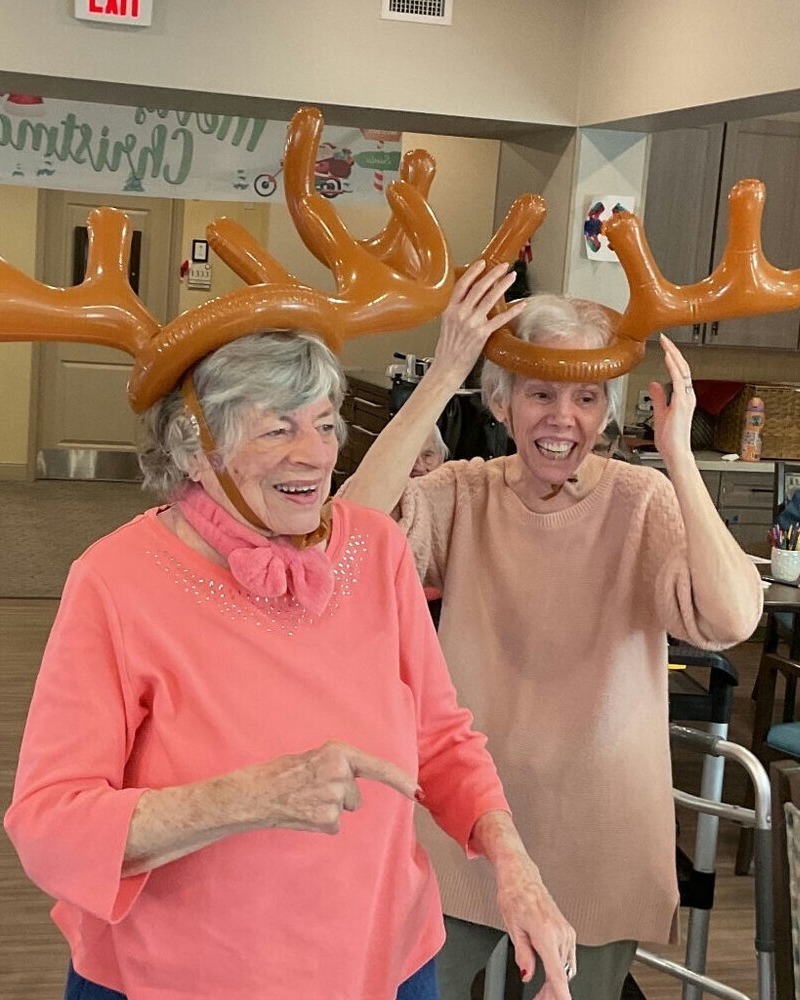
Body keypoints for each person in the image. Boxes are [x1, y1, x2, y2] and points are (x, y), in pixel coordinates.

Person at [4, 330, 576, 1000]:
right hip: (179, 976)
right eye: (277, 430)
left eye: (326, 425)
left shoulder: (376, 548)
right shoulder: (115, 580)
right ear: (196, 450)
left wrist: (514, 867)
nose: (316, 455)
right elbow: (51, 824)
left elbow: (441, 738)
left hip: (380, 957)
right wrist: (248, 798)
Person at [340, 262, 765, 1000]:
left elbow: (730, 617)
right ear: (503, 404)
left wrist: (681, 458)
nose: (562, 418)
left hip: (597, 835)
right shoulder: (462, 493)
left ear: (605, 412)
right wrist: (444, 375)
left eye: (586, 397)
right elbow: (348, 546)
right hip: (461, 826)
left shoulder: (642, 500)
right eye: (540, 393)